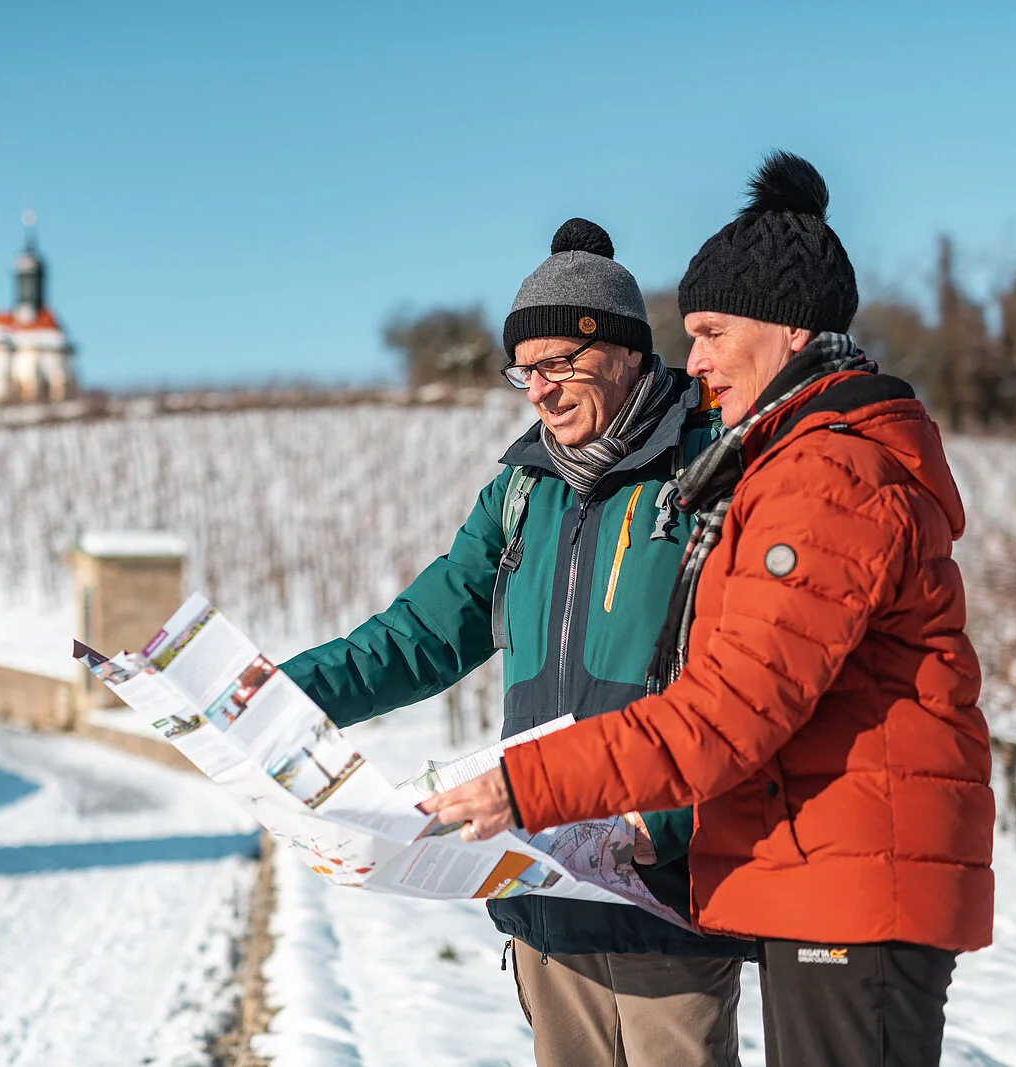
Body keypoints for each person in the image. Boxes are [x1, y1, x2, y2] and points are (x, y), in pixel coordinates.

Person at [422, 152, 995, 1067]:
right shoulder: (789, 463)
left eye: (712, 331)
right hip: (819, 870)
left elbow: (728, 707)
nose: (696, 361)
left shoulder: (826, 474)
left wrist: (526, 782)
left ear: (788, 327)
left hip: (849, 874)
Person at [281, 218, 752, 1067]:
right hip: (542, 883)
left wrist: (673, 820)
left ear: (627, 351)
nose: (539, 390)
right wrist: (285, 694)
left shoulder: (711, 469)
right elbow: (422, 632)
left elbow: (752, 676)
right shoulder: (523, 492)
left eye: (559, 364)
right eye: (524, 371)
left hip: (661, 884)